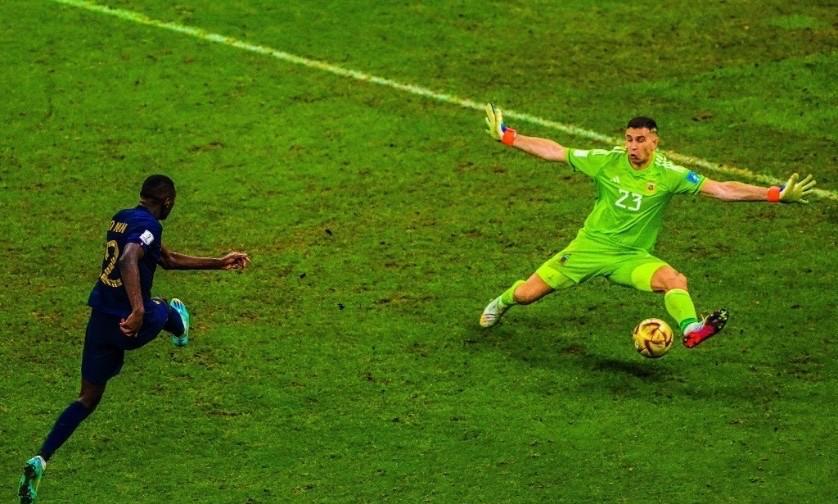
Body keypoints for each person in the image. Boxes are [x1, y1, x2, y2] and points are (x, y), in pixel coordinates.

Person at [479, 104, 817, 348]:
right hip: (588, 249)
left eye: (640, 140)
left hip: (632, 257)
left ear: (655, 141)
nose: (632, 146)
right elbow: (556, 151)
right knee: (526, 295)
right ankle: (501, 302)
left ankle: (690, 329)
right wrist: (509, 137)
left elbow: (722, 189)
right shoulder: (607, 161)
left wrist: (774, 194)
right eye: (629, 139)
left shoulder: (669, 175)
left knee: (675, 280)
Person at [18, 174, 251, 504]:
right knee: (161, 308)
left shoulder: (122, 218)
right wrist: (138, 310)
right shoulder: (150, 226)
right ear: (167, 202)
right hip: (127, 323)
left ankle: (41, 458)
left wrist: (218, 262)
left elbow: (166, 259)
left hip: (100, 321)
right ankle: (178, 324)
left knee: (86, 398)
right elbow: (129, 257)